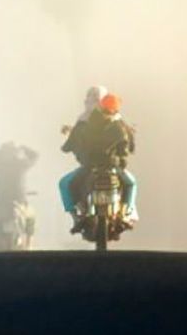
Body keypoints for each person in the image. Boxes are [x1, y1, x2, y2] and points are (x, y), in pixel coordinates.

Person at [58, 89, 138, 233]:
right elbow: (126, 148)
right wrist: (122, 161)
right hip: (112, 167)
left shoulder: (87, 123)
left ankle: (76, 215)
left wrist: (75, 150)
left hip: (90, 166)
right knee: (131, 183)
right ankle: (127, 212)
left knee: (65, 183)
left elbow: (74, 143)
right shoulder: (119, 125)